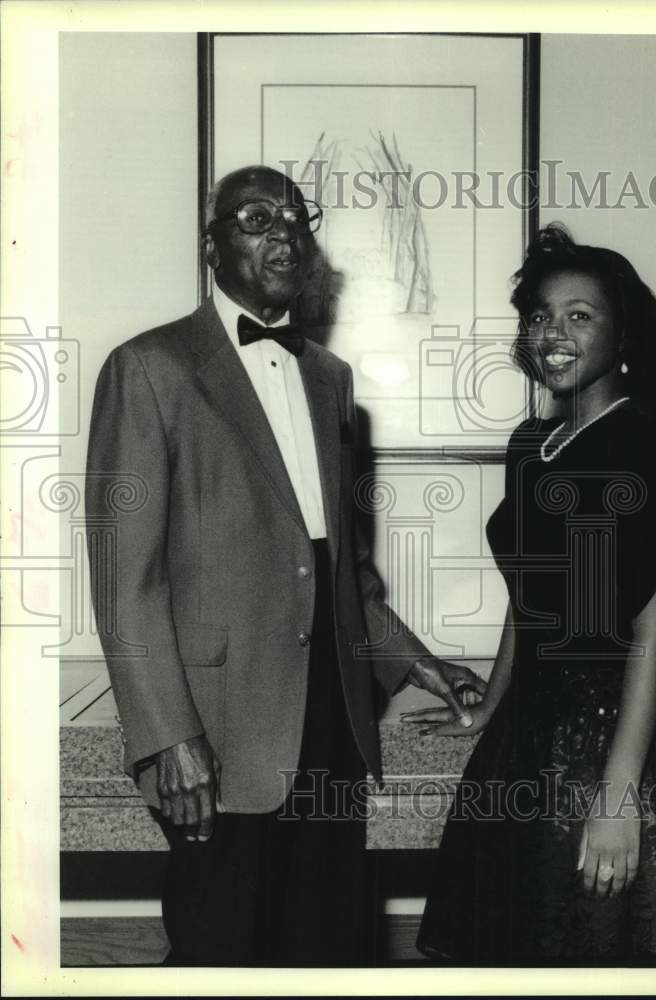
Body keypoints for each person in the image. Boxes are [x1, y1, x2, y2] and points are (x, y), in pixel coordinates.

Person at [85, 165, 485, 967]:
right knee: (220, 953)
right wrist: (168, 736)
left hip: (333, 720)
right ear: (213, 245)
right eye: (256, 218)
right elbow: (125, 582)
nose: (283, 234)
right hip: (219, 729)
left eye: (296, 219)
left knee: (328, 950)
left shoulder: (330, 383)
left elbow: (335, 574)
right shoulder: (150, 369)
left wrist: (419, 664)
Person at [404, 224, 656, 965]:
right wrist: (491, 700)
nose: (552, 332)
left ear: (623, 339)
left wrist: (618, 796)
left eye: (580, 316)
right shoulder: (531, 443)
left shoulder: (648, 441)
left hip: (618, 738)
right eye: (541, 315)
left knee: (592, 953)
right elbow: (530, 593)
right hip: (529, 731)